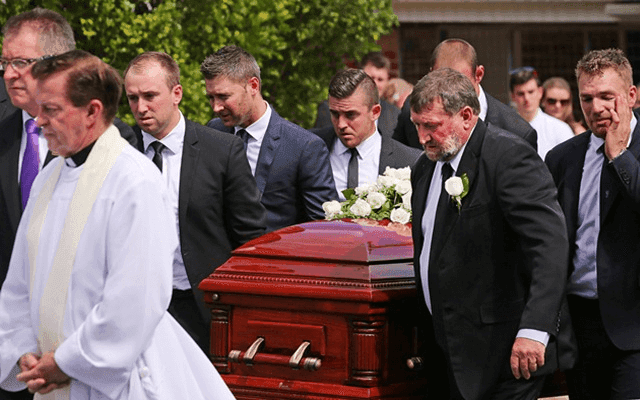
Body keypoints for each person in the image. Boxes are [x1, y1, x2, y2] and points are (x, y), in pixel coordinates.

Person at [0, 49, 235, 400]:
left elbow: (137, 297)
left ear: (92, 111)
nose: (40, 122)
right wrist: (23, 352)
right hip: (47, 376)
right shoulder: (49, 178)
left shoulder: (134, 180)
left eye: (51, 110)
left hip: (118, 381)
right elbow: (18, 284)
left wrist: (66, 362)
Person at [411, 68, 569, 399]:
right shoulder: (425, 168)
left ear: (466, 116)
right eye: (416, 125)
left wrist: (535, 330)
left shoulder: (508, 156)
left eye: (431, 126)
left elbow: (549, 245)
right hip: (450, 349)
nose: (421, 136)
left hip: (506, 350)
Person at [124, 52, 267, 353]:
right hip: (137, 310)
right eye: (132, 98)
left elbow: (249, 238)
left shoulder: (221, 151)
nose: (141, 107)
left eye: (150, 96)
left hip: (203, 308)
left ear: (177, 93)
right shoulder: (121, 152)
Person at [0, 8, 137, 296]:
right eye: (4, 62)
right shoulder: (3, 131)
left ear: (57, 66)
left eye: (21, 62)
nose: (9, 73)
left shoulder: (107, 140)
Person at [545, 48, 640, 400]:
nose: (596, 107)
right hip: (579, 324)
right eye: (587, 97)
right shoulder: (562, 158)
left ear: (632, 95)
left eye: (606, 96)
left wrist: (620, 157)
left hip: (634, 326)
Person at [201, 45, 337, 231]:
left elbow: (322, 227)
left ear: (253, 86)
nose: (216, 107)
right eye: (211, 98)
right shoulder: (213, 131)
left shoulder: (304, 147)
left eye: (224, 96)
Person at [393, 38, 537, 151]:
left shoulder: (516, 132)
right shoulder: (413, 110)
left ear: (478, 74)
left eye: (459, 82)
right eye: (441, 82)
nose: (450, 91)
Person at [313, 69, 421, 199]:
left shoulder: (409, 161)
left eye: (350, 115)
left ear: (375, 112)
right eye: (335, 114)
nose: (341, 124)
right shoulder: (311, 149)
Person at [313, 52, 400, 136]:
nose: (375, 84)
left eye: (380, 79)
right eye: (371, 78)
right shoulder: (330, 109)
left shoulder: (395, 114)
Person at [510, 68, 574, 158]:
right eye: (521, 94)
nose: (526, 99)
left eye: (531, 92)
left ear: (540, 92)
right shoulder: (503, 128)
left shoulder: (560, 130)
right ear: (513, 96)